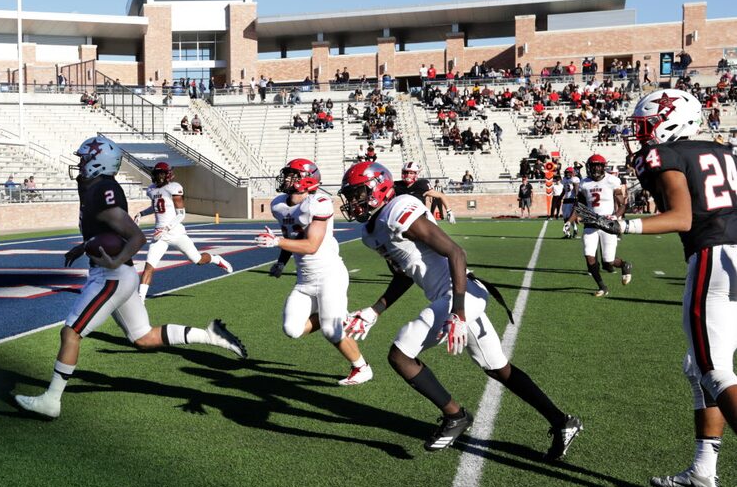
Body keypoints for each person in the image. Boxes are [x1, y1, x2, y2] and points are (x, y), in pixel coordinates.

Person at [338, 161, 582, 454]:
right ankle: (562, 421)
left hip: (462, 295)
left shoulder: (399, 209)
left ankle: (455, 415)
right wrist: (375, 310)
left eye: (358, 193)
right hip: (455, 298)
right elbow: (405, 274)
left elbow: (456, 251)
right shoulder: (371, 232)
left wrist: (459, 312)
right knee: (497, 367)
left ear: (379, 186)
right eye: (350, 195)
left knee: (400, 355)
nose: (353, 201)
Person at [14, 136, 246, 419]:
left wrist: (116, 259)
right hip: (119, 275)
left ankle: (51, 400)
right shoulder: (95, 187)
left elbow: (134, 236)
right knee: (143, 338)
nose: (80, 163)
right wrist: (85, 245)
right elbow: (105, 230)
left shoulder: (103, 189)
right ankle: (209, 336)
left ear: (98, 162)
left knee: (71, 332)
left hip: (111, 275)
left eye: (84, 158)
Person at [584, 89, 737, 487]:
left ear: (672, 121)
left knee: (713, 370)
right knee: (699, 368)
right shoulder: (725, 152)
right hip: (733, 256)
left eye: (646, 125)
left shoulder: (666, 156)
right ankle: (704, 470)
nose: (642, 135)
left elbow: (682, 217)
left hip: (713, 258)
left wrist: (624, 226)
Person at [253, 159, 373, 386]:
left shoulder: (319, 202)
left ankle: (362, 368)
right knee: (292, 329)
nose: (287, 179)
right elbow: (292, 236)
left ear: (307, 179)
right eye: (287, 174)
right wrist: (281, 262)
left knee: (331, 331)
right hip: (305, 279)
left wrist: (277, 242)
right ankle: (339, 315)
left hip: (329, 274)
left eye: (293, 175)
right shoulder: (279, 204)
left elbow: (311, 245)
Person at [133, 162, 232, 301]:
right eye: (158, 174)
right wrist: (141, 213)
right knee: (149, 266)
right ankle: (141, 300)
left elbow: (181, 214)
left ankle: (216, 259)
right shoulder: (151, 189)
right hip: (159, 235)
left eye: (162, 173)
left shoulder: (174, 188)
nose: (160, 177)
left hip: (176, 232)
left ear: (167, 175)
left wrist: (166, 228)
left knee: (197, 259)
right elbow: (156, 207)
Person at [569, 154, 633, 297]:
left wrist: (616, 216)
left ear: (603, 167)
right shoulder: (584, 183)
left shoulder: (612, 180)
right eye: (593, 165)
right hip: (591, 223)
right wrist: (572, 219)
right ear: (589, 167)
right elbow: (579, 205)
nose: (596, 168)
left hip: (607, 223)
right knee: (589, 256)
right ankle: (602, 287)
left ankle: (625, 265)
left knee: (608, 261)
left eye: (598, 165)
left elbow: (623, 204)